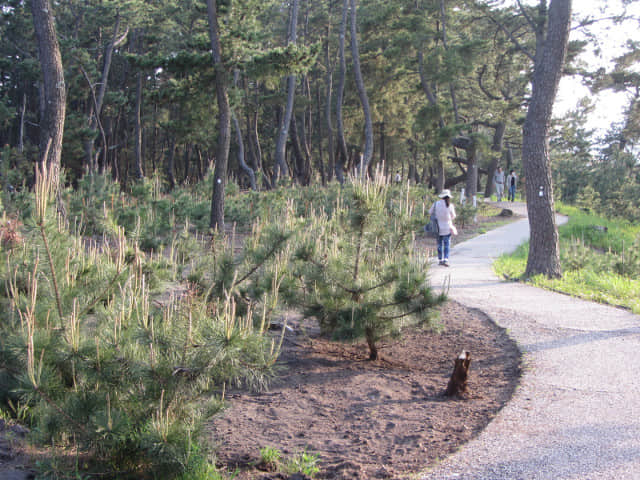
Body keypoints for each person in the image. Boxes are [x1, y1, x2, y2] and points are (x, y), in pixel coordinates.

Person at [429, 189, 457, 266]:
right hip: (447, 227)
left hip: (438, 227)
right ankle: (446, 259)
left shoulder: (436, 204)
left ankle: (440, 259)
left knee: (439, 244)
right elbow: (453, 216)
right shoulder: (450, 206)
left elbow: (430, 212)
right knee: (447, 243)